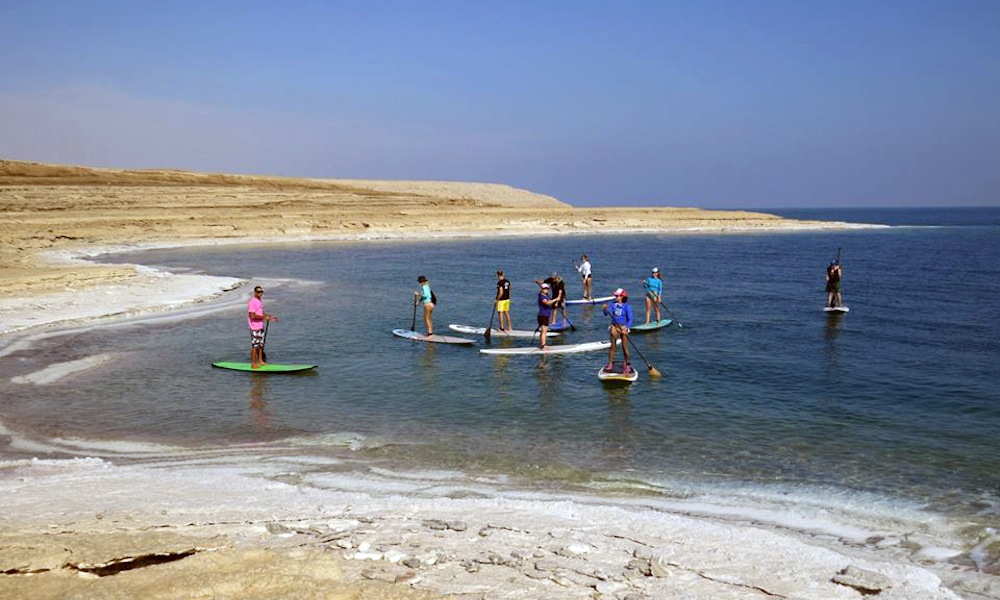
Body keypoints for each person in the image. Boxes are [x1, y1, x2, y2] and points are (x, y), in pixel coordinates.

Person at [602, 288, 633, 373]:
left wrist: (626, 328)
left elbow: (630, 319)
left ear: (622, 296)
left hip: (623, 327)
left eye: (617, 295)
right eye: (615, 295)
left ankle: (627, 364)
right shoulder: (613, 305)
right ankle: (610, 363)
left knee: (624, 347)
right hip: (614, 326)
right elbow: (606, 314)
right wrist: (605, 309)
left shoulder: (626, 306)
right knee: (613, 346)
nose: (615, 296)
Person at [247, 285, 277, 369]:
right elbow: (252, 316)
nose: (260, 293)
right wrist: (264, 317)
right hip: (254, 327)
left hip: (260, 326)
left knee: (261, 344)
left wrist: (270, 317)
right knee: (255, 345)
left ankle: (260, 360)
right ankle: (253, 363)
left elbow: (260, 314)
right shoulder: (252, 302)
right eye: (258, 292)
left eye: (261, 292)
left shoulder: (259, 301)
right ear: (255, 292)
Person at [536, 281, 558, 350]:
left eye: (547, 288)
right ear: (542, 289)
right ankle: (543, 346)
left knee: (543, 331)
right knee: (544, 331)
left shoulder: (546, 295)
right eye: (544, 288)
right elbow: (547, 303)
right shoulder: (542, 296)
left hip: (545, 315)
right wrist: (555, 300)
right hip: (543, 315)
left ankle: (541, 344)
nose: (546, 290)